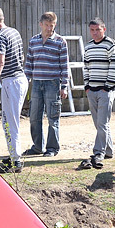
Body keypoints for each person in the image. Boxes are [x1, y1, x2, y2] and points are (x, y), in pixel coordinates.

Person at [0, 6, 28, 173]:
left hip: (11, 81)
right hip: (20, 78)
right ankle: (13, 155)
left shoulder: (0, 37)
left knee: (10, 122)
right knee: (10, 120)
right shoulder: (13, 32)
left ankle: (16, 160)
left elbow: (0, 63)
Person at [24, 12, 69, 158]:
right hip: (36, 83)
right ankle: (37, 147)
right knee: (34, 116)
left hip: (53, 83)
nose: (49, 28)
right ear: (41, 24)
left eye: (52, 25)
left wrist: (64, 85)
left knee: (53, 117)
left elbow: (64, 65)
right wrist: (26, 81)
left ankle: (52, 148)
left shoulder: (60, 42)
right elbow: (29, 62)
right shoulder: (33, 41)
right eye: (47, 25)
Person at [78, 17, 115, 170]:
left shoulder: (111, 45)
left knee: (102, 122)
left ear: (104, 29)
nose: (95, 33)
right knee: (98, 123)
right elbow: (86, 67)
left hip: (105, 90)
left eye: (98, 30)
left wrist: (107, 87)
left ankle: (98, 153)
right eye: (92, 30)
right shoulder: (88, 46)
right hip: (92, 89)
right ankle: (109, 150)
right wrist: (87, 86)